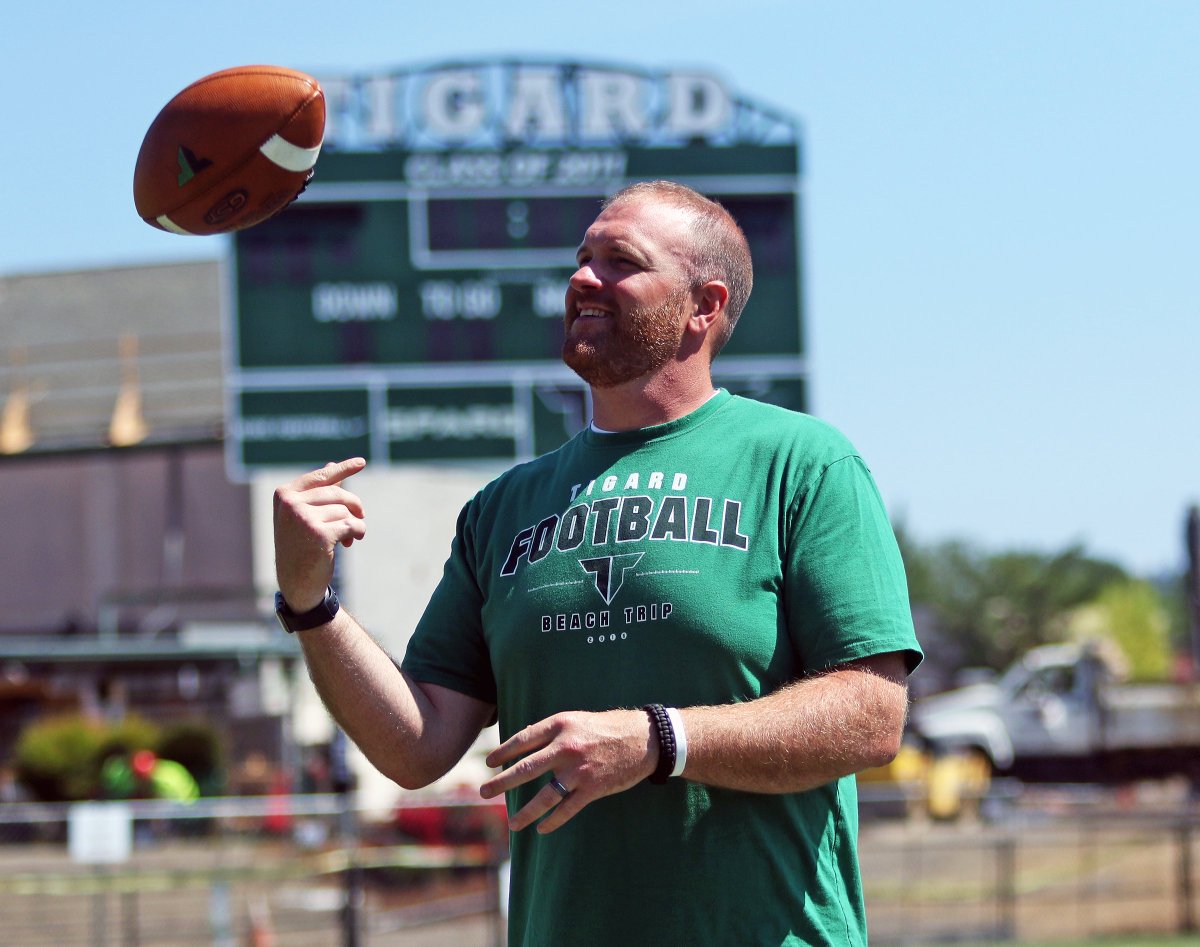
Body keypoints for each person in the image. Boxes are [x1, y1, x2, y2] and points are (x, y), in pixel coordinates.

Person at [272, 180, 922, 946]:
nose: (582, 276)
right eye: (582, 258)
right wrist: (311, 603)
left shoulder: (802, 462)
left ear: (702, 306)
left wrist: (656, 741)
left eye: (621, 261)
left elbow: (872, 716)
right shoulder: (501, 507)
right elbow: (417, 745)